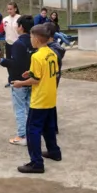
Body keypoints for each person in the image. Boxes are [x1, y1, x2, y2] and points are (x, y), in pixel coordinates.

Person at [12, 24, 62, 173]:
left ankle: (36, 163)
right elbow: (49, 72)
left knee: (32, 130)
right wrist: (31, 72)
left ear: (37, 39)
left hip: (39, 99)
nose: (31, 40)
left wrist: (21, 83)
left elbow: (36, 80)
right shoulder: (52, 53)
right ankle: (54, 151)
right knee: (49, 127)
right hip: (50, 97)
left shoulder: (36, 55)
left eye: (32, 37)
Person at [0, 15, 34, 146]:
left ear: (21, 27)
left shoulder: (18, 44)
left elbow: (15, 64)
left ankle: (22, 135)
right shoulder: (34, 42)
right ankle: (31, 133)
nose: (15, 26)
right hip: (31, 80)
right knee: (29, 107)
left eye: (17, 24)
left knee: (20, 109)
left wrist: (1, 60)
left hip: (18, 81)